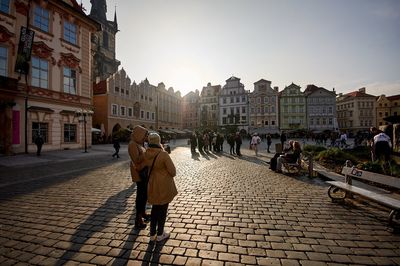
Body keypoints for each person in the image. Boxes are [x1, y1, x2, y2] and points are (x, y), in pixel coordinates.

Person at [144, 133, 177, 242]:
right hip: (163, 184)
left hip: (152, 184)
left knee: (154, 209)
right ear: (158, 141)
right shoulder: (163, 154)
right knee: (163, 209)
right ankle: (160, 234)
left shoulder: (146, 153)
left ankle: (152, 234)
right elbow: (173, 171)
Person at [128, 126, 149, 229]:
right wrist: (147, 154)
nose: (146, 137)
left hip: (144, 172)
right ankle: (138, 219)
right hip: (139, 173)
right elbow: (136, 160)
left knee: (144, 194)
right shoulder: (132, 145)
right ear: (139, 134)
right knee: (140, 196)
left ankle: (143, 213)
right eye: (144, 135)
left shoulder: (139, 144)